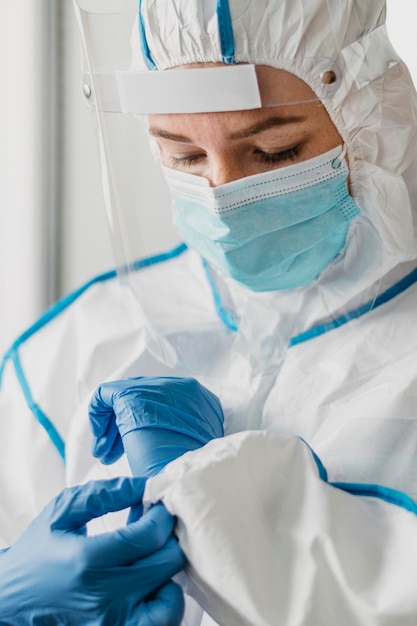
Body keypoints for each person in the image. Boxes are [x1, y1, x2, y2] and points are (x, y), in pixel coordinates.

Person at [2, 0, 417, 623]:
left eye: (274, 153)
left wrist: (206, 488)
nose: (222, 196)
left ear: (368, 112)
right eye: (185, 156)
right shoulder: (73, 347)